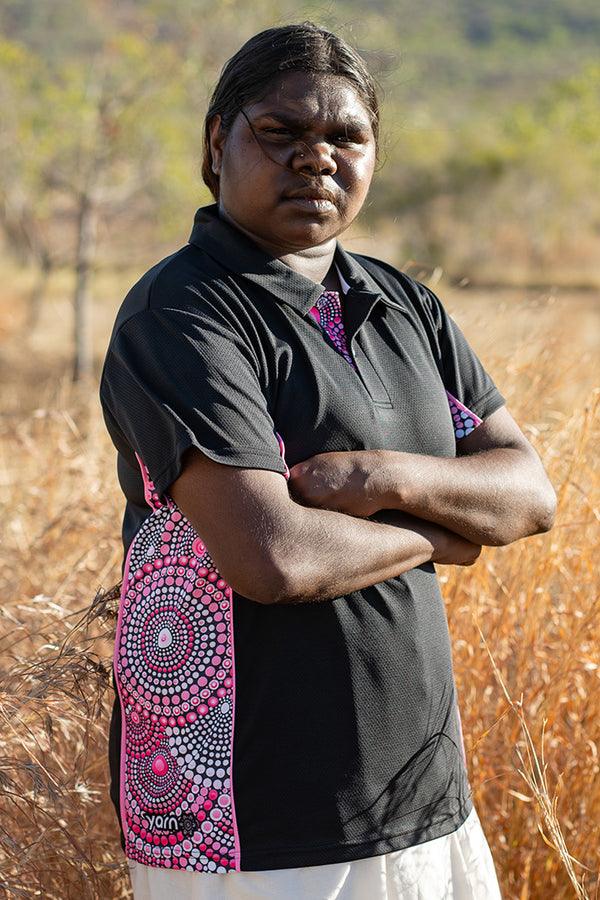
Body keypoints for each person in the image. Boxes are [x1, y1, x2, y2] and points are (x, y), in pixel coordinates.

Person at [100, 22, 556, 900]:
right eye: (281, 132)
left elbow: (528, 492)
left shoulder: (403, 305)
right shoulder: (185, 316)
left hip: (421, 790)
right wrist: (440, 537)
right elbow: (274, 558)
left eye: (345, 136)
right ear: (217, 142)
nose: (317, 158)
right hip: (249, 810)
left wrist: (382, 481)